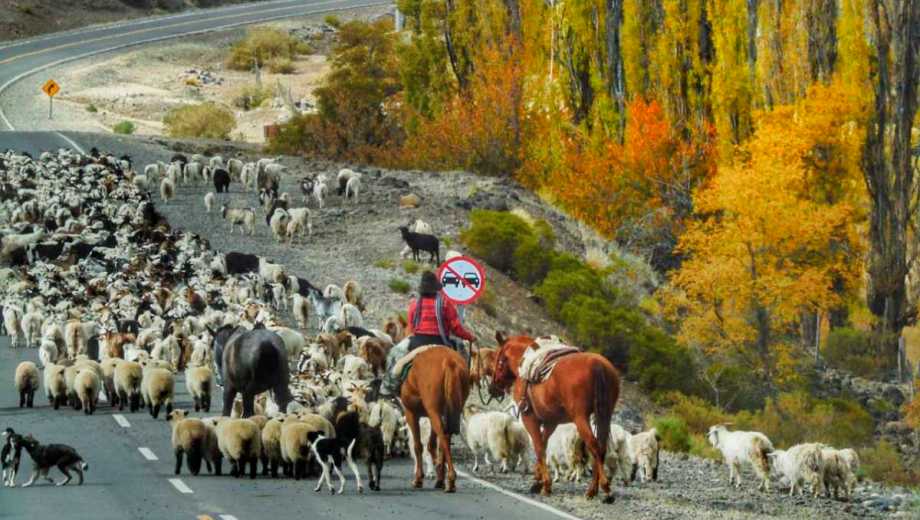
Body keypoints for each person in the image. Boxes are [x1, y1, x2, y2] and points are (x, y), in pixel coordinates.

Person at [380, 271, 475, 398]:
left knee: (394, 353)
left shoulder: (414, 304)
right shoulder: (446, 304)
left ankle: (388, 388)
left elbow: (411, 327)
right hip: (442, 342)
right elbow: (456, 328)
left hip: (417, 342)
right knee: (464, 357)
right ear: (436, 289)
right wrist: (470, 337)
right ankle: (464, 385)